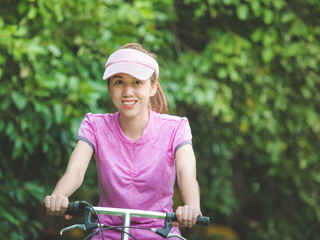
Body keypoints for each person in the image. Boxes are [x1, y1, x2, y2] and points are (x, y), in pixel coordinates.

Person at [43, 43, 202, 239]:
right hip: (107, 233)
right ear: (109, 89)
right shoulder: (94, 125)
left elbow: (186, 173)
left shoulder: (176, 128)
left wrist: (192, 207)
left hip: (161, 233)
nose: (127, 91)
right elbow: (75, 171)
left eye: (137, 82)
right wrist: (59, 196)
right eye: (119, 82)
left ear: (152, 87)